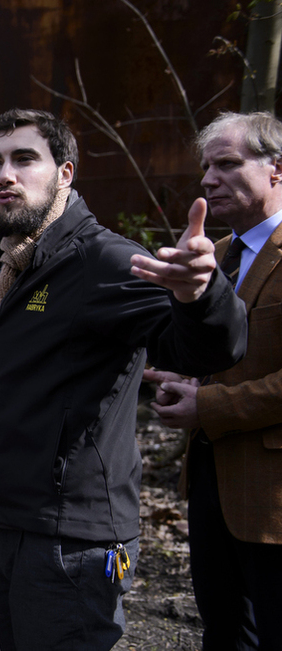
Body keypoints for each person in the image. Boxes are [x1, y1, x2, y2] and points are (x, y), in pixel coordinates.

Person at [0, 108, 248, 651]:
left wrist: (200, 296)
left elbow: (208, 348)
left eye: (25, 159)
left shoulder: (104, 259)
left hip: (69, 539)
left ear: (66, 173)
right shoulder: (15, 264)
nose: (5, 174)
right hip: (10, 519)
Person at [144, 111, 282, 650]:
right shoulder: (214, 257)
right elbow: (218, 355)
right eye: (205, 167)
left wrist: (211, 407)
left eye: (226, 163)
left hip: (273, 502)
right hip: (209, 486)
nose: (207, 179)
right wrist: (180, 373)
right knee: (224, 635)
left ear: (276, 170)